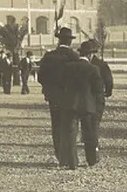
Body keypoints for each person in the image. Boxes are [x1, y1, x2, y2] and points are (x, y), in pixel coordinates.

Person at [38, 27, 85, 169]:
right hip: (70, 97)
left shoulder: (49, 56)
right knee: (70, 128)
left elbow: (41, 77)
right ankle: (70, 157)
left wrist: (50, 88)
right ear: (70, 42)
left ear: (59, 40)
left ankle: (60, 156)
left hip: (54, 97)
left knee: (56, 125)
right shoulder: (74, 57)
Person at [73, 39, 106, 167]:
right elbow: (98, 89)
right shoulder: (94, 69)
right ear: (90, 55)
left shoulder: (70, 66)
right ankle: (91, 159)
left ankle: (71, 159)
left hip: (73, 103)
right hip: (88, 104)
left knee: (71, 132)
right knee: (89, 132)